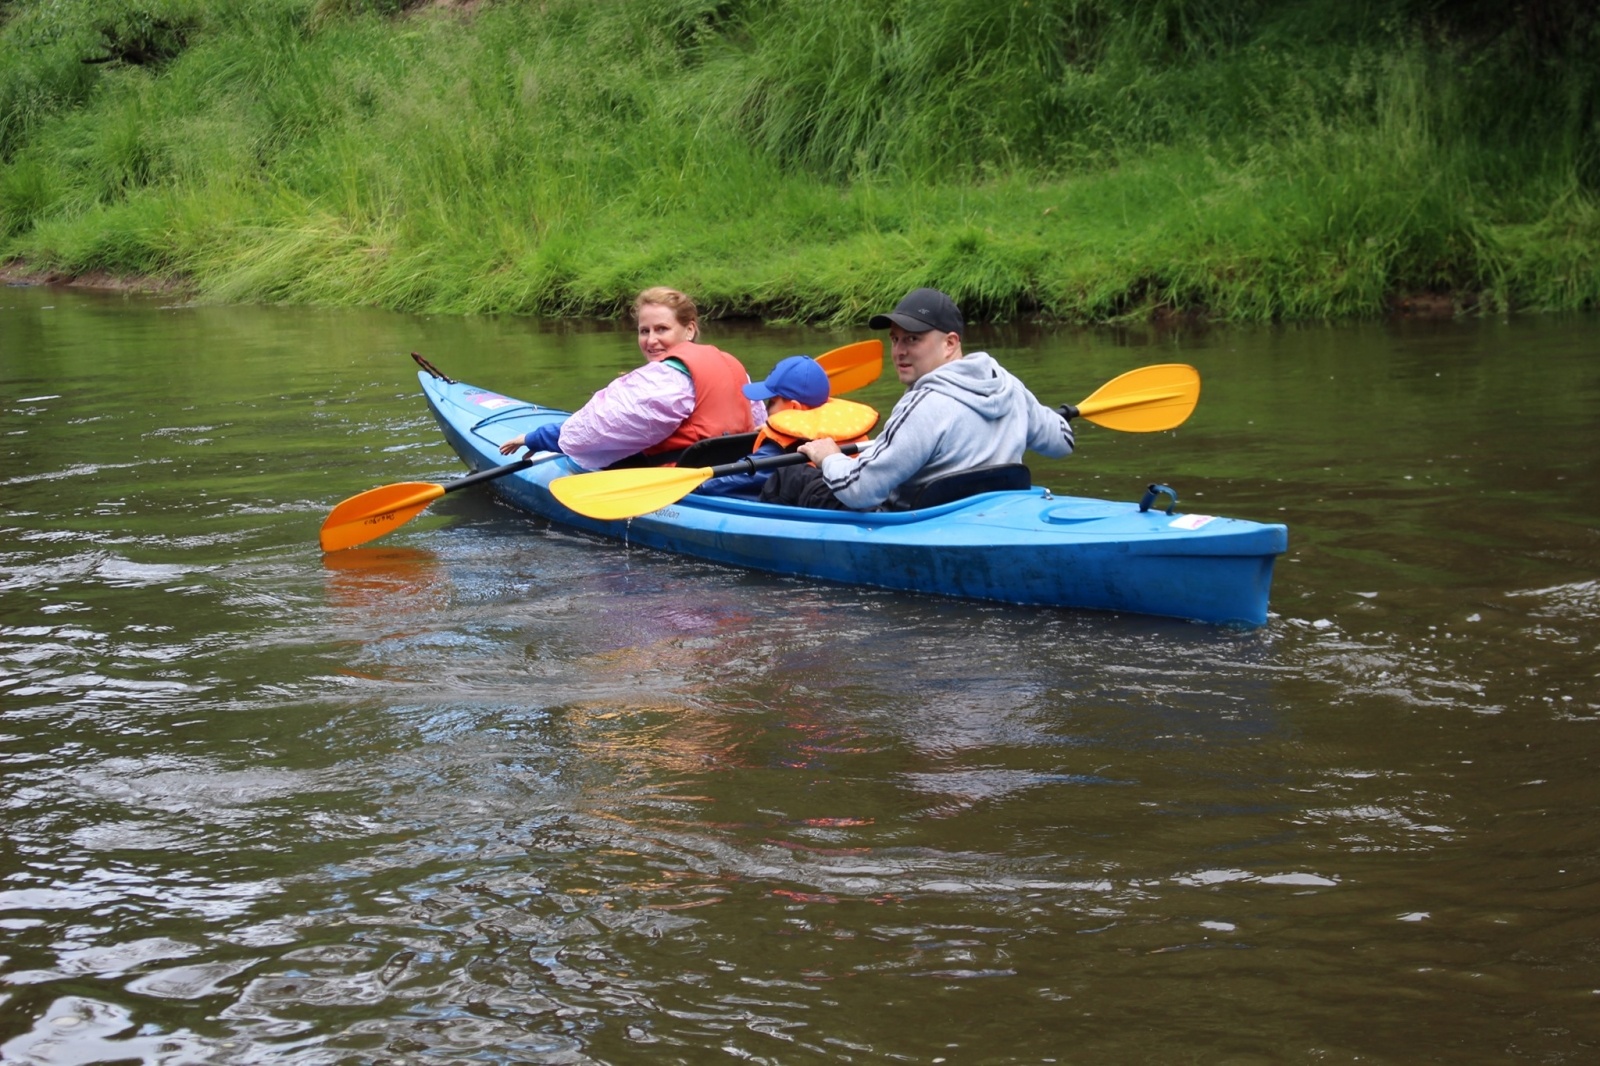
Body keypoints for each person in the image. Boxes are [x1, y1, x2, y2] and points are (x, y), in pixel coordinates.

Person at [762, 287, 1074, 511]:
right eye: (895, 339)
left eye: (913, 339)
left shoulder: (923, 405)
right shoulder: (1008, 386)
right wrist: (1028, 415)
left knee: (789, 476)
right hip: (992, 510)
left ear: (950, 343)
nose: (899, 351)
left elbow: (859, 491)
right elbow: (1062, 442)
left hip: (913, 520)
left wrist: (828, 456)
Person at [499, 287, 763, 471]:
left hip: (684, 482)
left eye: (662, 329)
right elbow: (758, 425)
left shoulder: (663, 380)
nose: (650, 340)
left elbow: (591, 432)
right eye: (643, 331)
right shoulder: (733, 365)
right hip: (735, 472)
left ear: (690, 329)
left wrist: (534, 438)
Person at [694, 355, 831, 498]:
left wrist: (696, 487)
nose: (766, 409)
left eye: (771, 403)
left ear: (794, 408)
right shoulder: (836, 436)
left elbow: (725, 482)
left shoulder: (777, 450)